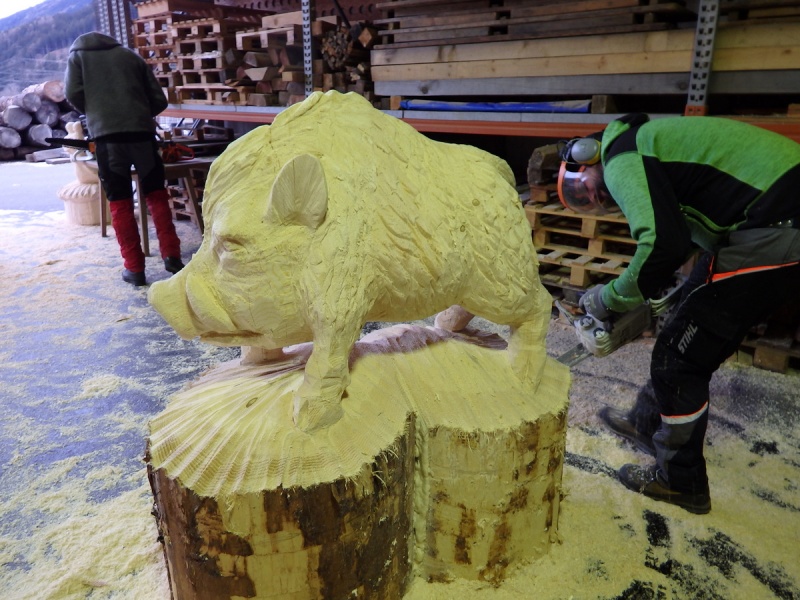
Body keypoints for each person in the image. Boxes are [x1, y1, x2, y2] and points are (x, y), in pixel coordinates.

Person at [558, 113, 800, 514]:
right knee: (685, 318)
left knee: (679, 360)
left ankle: (681, 482)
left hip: (778, 225)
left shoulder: (621, 157)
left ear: (587, 155)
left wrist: (609, 299)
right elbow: (683, 238)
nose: (595, 198)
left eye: (585, 187)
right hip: (768, 219)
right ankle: (648, 423)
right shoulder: (650, 143)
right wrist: (642, 297)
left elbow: (661, 245)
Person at [65, 31, 184, 286]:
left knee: (120, 202)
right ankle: (172, 256)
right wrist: (137, 112)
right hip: (142, 135)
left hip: (108, 140)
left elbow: (72, 93)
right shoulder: (130, 56)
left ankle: (134, 268)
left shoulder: (78, 58)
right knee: (156, 195)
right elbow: (159, 100)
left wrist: (98, 112)